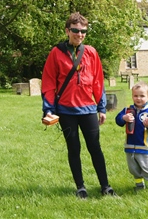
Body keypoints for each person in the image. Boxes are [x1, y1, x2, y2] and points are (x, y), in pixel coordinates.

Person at [41, 12, 116, 199]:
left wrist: (101, 107)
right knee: (74, 149)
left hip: (88, 109)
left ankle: (105, 187)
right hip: (66, 110)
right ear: (67, 31)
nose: (80, 34)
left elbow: (98, 80)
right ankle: (80, 187)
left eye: (83, 31)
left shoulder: (91, 52)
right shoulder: (56, 53)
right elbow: (49, 82)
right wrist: (48, 109)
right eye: (75, 30)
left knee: (95, 148)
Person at [115, 81, 148, 194]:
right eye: (135, 96)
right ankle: (139, 185)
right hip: (130, 147)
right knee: (133, 168)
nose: (138, 98)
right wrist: (123, 118)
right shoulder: (127, 110)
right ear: (132, 96)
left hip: (144, 147)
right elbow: (118, 120)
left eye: (142, 96)